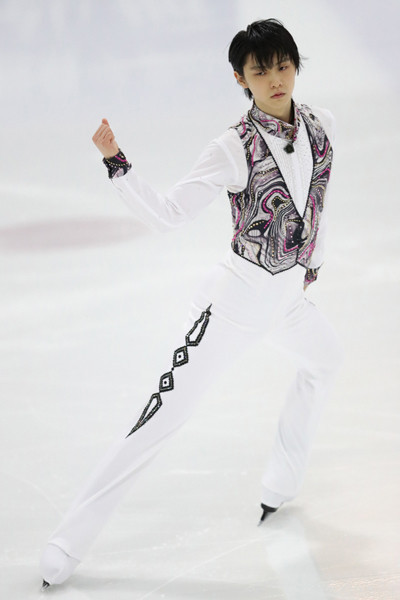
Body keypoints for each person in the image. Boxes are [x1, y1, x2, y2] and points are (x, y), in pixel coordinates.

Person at [40, 19, 343, 589]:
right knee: (159, 420)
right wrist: (117, 163)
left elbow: (319, 196)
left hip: (287, 302)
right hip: (232, 306)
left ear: (296, 64)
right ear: (241, 79)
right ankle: (67, 542)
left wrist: (313, 265)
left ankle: (278, 485)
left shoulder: (322, 125)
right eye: (260, 71)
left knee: (324, 361)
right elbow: (168, 215)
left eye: (283, 66)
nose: (275, 79)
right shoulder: (233, 147)